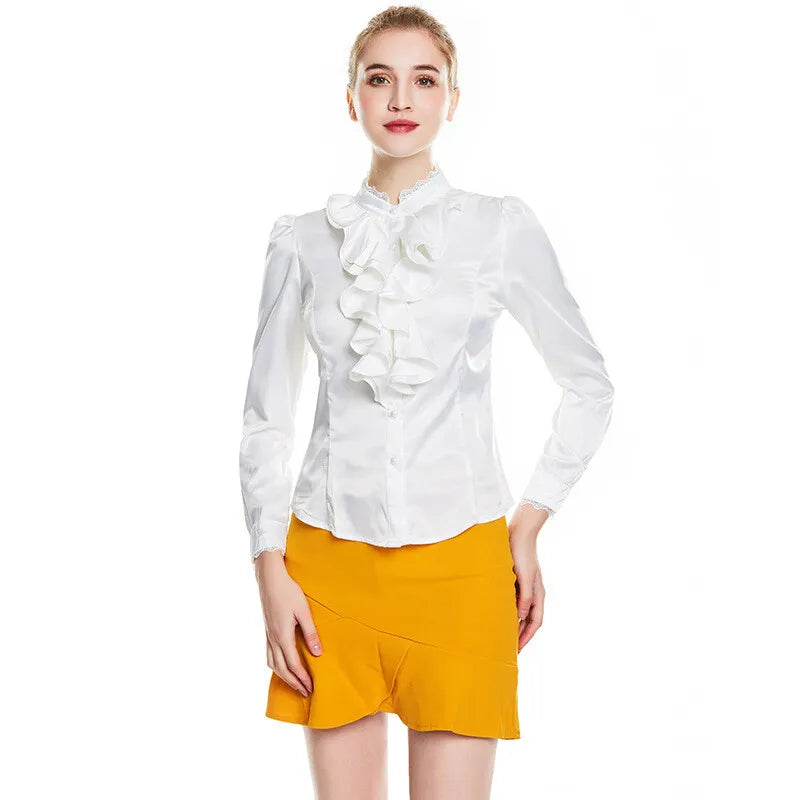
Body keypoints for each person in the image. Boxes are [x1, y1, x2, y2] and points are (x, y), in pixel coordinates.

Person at [238, 6, 614, 798]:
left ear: (452, 98)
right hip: (325, 573)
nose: (401, 98)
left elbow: (588, 385)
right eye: (379, 78)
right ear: (351, 99)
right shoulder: (302, 241)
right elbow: (266, 419)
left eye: (425, 79)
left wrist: (529, 520)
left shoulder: (499, 229)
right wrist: (268, 566)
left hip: (464, 569)